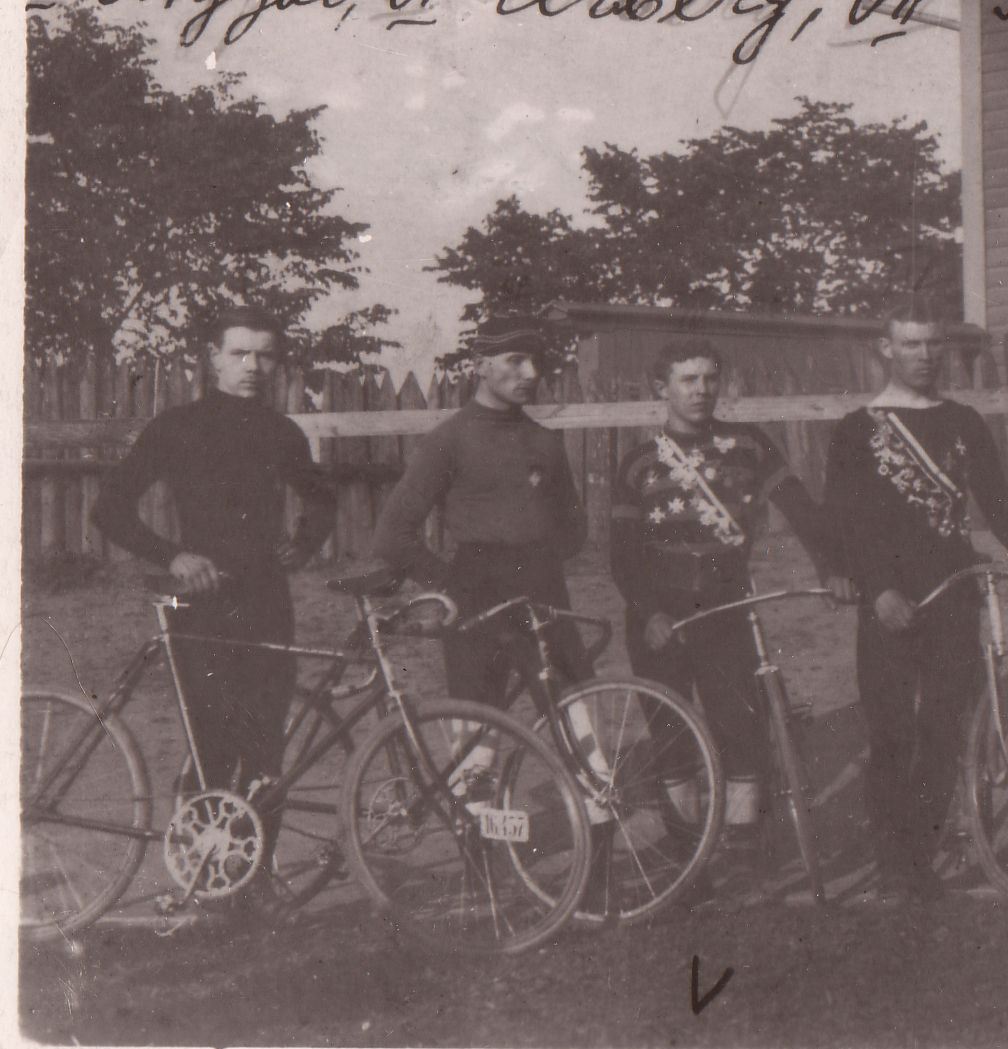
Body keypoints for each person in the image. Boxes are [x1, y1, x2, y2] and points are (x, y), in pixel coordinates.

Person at [824, 293, 1008, 903]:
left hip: (953, 593)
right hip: (887, 602)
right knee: (890, 735)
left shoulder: (963, 422)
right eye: (910, 343)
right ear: (886, 349)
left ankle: (920, 862)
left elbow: (998, 500)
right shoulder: (858, 429)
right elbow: (846, 522)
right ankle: (890, 864)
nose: (925, 356)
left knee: (941, 730)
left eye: (934, 343)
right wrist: (877, 588)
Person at [91, 305, 337, 894]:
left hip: (266, 602)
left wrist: (303, 545)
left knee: (266, 751)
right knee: (213, 748)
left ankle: (253, 881)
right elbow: (108, 509)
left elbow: (321, 501)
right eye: (239, 354)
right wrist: (173, 556)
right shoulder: (176, 427)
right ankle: (206, 880)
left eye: (265, 355)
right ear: (213, 358)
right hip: (197, 604)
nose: (253, 367)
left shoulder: (283, 432)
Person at [611, 339, 853, 858]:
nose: (701, 391)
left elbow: (800, 508)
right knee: (672, 735)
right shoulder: (639, 463)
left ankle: (744, 848)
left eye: (709, 379)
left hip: (725, 605)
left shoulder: (750, 445)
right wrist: (648, 612)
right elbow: (622, 555)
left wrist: (830, 567)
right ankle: (686, 856)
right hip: (660, 612)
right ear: (662, 389)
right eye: (687, 380)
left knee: (738, 726)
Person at [368, 314, 587, 709]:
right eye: (516, 360)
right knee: (477, 734)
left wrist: (535, 559)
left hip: (543, 589)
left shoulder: (545, 442)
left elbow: (574, 528)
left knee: (579, 717)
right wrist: (453, 583)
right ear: (481, 365)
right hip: (474, 591)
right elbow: (392, 533)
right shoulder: (449, 440)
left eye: (536, 362)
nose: (531, 373)